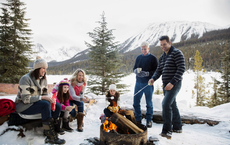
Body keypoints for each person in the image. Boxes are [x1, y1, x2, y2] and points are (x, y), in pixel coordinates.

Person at [15, 56, 65, 144]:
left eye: (46, 68)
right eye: (43, 68)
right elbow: (26, 99)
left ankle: (54, 129)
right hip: (24, 106)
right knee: (45, 104)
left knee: (57, 105)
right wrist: (42, 98)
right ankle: (50, 137)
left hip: (36, 104)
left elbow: (45, 94)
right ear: (37, 68)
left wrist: (50, 99)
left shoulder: (43, 80)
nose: (45, 71)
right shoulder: (25, 79)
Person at [148, 35, 185, 139]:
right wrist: (153, 79)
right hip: (166, 85)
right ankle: (178, 127)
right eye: (161, 45)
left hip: (175, 83)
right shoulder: (163, 57)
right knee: (172, 105)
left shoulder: (177, 53)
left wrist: (172, 83)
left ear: (169, 42)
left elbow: (181, 69)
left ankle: (167, 131)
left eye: (164, 44)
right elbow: (159, 70)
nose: (163, 46)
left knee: (165, 104)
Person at [133, 41, 158, 128]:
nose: (143, 50)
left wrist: (147, 74)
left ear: (148, 48)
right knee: (136, 102)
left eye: (145, 49)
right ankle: (138, 119)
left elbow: (157, 71)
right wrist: (135, 71)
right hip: (138, 83)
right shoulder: (138, 58)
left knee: (149, 103)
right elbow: (134, 68)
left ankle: (149, 120)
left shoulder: (153, 58)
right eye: (142, 49)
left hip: (148, 84)